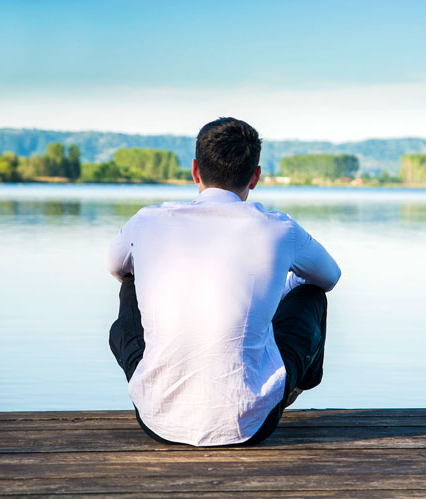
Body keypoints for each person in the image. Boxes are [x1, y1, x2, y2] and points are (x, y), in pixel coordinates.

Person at [107, 117, 341, 446]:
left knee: (130, 282)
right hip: (251, 425)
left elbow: (116, 268)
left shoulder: (146, 221)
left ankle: (159, 384)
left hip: (157, 420)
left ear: (195, 170)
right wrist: (274, 291)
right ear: (255, 176)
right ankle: (291, 386)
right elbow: (329, 278)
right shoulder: (279, 229)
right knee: (311, 294)